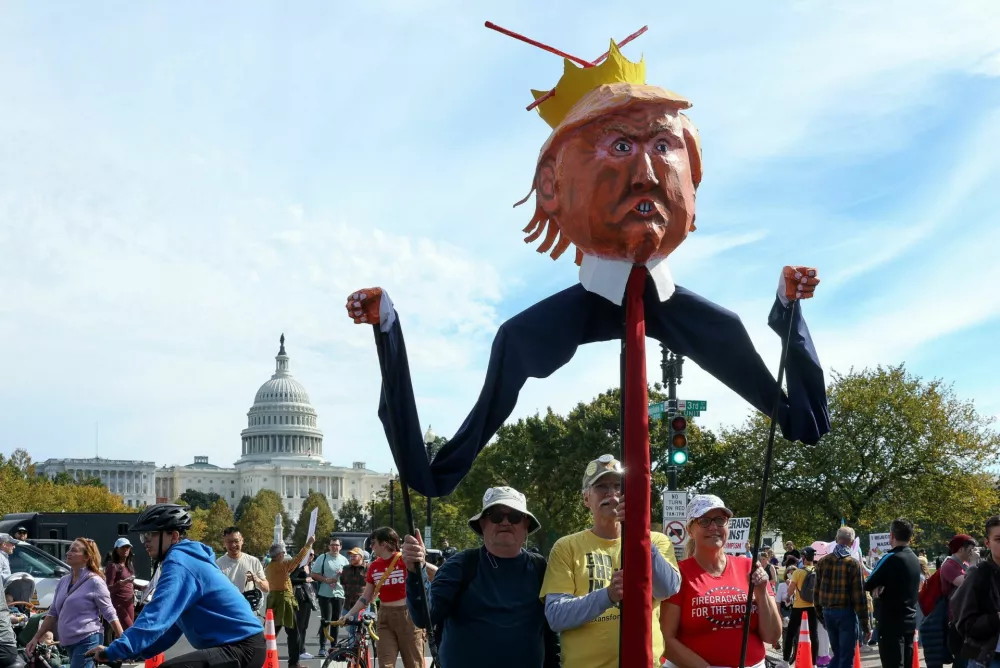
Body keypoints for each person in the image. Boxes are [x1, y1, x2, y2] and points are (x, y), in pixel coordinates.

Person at [82, 503, 268, 668]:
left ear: (174, 536)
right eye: (143, 536)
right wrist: (129, 653)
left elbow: (155, 616)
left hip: (241, 647)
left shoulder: (180, 563)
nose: (145, 542)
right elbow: (169, 630)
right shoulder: (184, 559)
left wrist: (115, 650)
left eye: (151, 534)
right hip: (240, 646)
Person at [540, 455, 681, 668]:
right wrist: (607, 595)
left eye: (618, 486)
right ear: (586, 499)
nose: (612, 494)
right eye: (601, 487)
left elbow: (667, 589)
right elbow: (556, 616)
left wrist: (638, 532)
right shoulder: (566, 547)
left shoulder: (655, 540)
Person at [402, 486, 559, 668]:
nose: (506, 522)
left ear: (526, 526)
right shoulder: (460, 565)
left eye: (515, 516)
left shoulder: (540, 567)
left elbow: (551, 633)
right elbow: (425, 616)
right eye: (496, 516)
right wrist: (416, 571)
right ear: (482, 524)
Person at [661, 494, 780, 668]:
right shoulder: (678, 574)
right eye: (704, 521)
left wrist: (761, 592)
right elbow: (665, 637)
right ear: (690, 530)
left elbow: (772, 636)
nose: (713, 527)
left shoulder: (750, 567)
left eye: (719, 520)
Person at [26, 538, 124, 668]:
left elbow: (110, 613)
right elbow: (52, 614)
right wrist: (36, 638)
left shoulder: (95, 581)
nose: (68, 553)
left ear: (86, 557)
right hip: (68, 643)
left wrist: (123, 642)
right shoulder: (63, 580)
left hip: (88, 639)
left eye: (74, 550)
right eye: (69, 549)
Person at [339, 527, 424, 668]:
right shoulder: (373, 566)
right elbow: (366, 597)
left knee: (414, 664)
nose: (371, 547)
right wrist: (348, 614)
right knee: (385, 664)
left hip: (407, 615)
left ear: (384, 544)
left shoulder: (404, 560)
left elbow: (426, 574)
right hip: (384, 617)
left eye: (373, 543)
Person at [864, 518, 922, 668]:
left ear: (891, 536)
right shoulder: (915, 558)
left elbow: (868, 583)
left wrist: (878, 587)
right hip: (909, 619)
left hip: (890, 621)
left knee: (893, 663)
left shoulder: (890, 557)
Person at [814, 527, 871, 668]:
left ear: (836, 539)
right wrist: (866, 625)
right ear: (852, 543)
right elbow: (859, 596)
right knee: (845, 657)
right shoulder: (853, 563)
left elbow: (816, 592)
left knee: (838, 654)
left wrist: (821, 615)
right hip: (846, 613)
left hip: (828, 612)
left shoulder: (822, 562)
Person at [950, 516, 1000, 666]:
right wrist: (996, 618)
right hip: (989, 659)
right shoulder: (978, 574)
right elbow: (965, 624)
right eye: (998, 539)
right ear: (987, 543)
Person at [922, 534, 977, 668]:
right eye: (970, 550)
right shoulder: (949, 565)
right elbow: (966, 583)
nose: (973, 553)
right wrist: (975, 563)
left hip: (966, 617)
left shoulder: (964, 565)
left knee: (966, 658)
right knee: (961, 659)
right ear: (961, 549)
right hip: (956, 620)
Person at [264, 538, 316, 668]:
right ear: (280, 554)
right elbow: (298, 560)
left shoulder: (269, 566)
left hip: (273, 600)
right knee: (293, 634)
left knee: (271, 632)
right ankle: (294, 663)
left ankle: (261, 659)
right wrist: (308, 544)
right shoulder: (281, 566)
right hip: (284, 601)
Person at [311, 537, 349, 658]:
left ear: (340, 547)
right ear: (329, 546)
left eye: (337, 545)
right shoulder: (322, 558)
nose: (334, 547)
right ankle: (322, 647)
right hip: (325, 594)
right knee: (326, 620)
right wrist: (326, 580)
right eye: (332, 545)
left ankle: (334, 647)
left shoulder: (344, 560)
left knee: (336, 621)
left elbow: (347, 577)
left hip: (339, 594)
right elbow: (313, 574)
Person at [784, 546, 819, 667]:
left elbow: (790, 592)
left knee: (790, 634)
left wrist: (789, 590)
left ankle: (785, 661)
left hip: (798, 607)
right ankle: (814, 663)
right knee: (814, 635)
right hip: (813, 607)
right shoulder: (817, 571)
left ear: (803, 557)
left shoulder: (798, 572)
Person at [216, 527, 269, 600]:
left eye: (236, 541)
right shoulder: (218, 564)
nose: (233, 545)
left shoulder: (253, 561)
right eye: (229, 542)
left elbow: (266, 588)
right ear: (224, 543)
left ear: (242, 541)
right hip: (227, 608)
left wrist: (256, 579)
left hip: (249, 609)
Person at [0, 589, 20, 668]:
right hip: (8, 644)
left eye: (12, 601)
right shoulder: (6, 611)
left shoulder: (16, 610)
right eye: (8, 601)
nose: (11, 603)